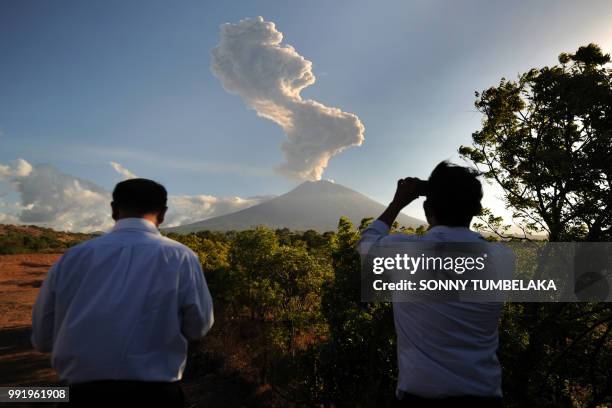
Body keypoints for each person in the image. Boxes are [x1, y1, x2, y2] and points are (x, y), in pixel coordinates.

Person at [31, 178, 214, 407]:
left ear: (113, 209)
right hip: (156, 396)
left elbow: (42, 338)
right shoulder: (181, 257)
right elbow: (198, 327)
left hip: (81, 396)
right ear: (163, 213)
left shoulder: (73, 257)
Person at [358, 161, 504, 407]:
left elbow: (367, 241)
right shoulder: (500, 258)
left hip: (420, 398)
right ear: (475, 209)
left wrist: (398, 202)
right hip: (486, 398)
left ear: (428, 210)